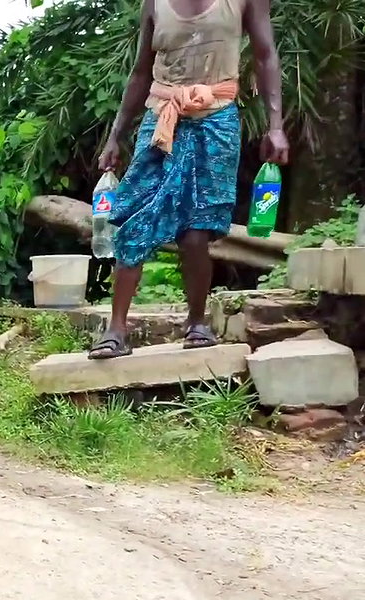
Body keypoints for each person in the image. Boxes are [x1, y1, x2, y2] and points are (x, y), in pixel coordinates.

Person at [87, 0, 289, 360]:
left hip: (217, 121)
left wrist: (276, 126)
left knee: (196, 232)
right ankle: (116, 330)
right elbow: (140, 72)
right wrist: (115, 136)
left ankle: (197, 324)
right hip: (162, 119)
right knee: (134, 222)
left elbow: (265, 56)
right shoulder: (155, 4)